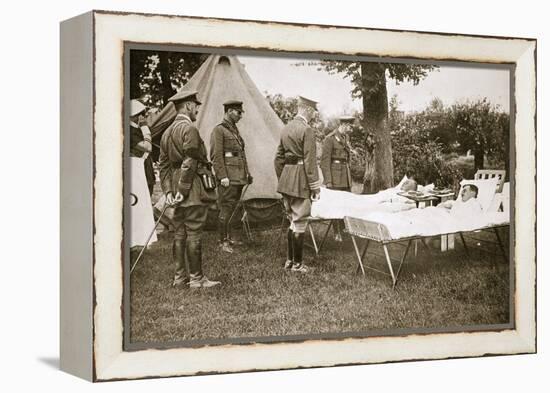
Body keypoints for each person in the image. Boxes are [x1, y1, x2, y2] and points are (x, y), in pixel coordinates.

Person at [159, 90, 220, 289]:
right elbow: (190, 160)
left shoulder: (166, 132)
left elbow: (164, 167)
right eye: (195, 105)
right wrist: (183, 190)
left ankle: (179, 278)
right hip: (191, 186)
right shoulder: (190, 129)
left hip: (176, 187)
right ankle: (197, 279)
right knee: (193, 231)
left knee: (179, 232)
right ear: (187, 106)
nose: (197, 109)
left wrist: (168, 191)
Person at [274, 96, 321, 273]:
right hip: (301, 178)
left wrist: (284, 176)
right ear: (307, 110)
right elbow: (310, 162)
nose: (314, 115)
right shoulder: (307, 130)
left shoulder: (285, 128)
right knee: (300, 220)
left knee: (292, 220)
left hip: (287, 178)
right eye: (313, 111)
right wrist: (315, 187)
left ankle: (289, 260)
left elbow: (278, 158)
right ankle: (298, 264)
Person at [210, 100, 252, 253]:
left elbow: (240, 154)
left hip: (239, 176)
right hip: (228, 178)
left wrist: (247, 173)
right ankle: (222, 241)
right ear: (228, 111)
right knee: (226, 208)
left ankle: (231, 237)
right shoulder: (219, 130)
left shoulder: (234, 130)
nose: (241, 115)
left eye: (241, 112)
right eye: (238, 112)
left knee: (234, 208)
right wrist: (222, 176)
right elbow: (216, 156)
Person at [320, 115, 354, 241]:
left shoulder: (346, 137)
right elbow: (324, 162)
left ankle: (345, 230)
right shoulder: (330, 139)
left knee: (346, 204)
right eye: (349, 126)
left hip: (345, 176)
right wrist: (328, 181)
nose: (350, 129)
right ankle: (336, 232)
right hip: (335, 177)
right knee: (335, 205)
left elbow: (347, 158)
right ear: (343, 125)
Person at [129, 99, 157, 249]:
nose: (145, 117)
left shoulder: (135, 129)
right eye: (143, 114)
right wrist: (145, 129)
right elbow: (147, 147)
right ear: (137, 116)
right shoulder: (130, 130)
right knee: (138, 201)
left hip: (144, 167)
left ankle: (143, 235)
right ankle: (136, 238)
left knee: (147, 197)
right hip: (136, 168)